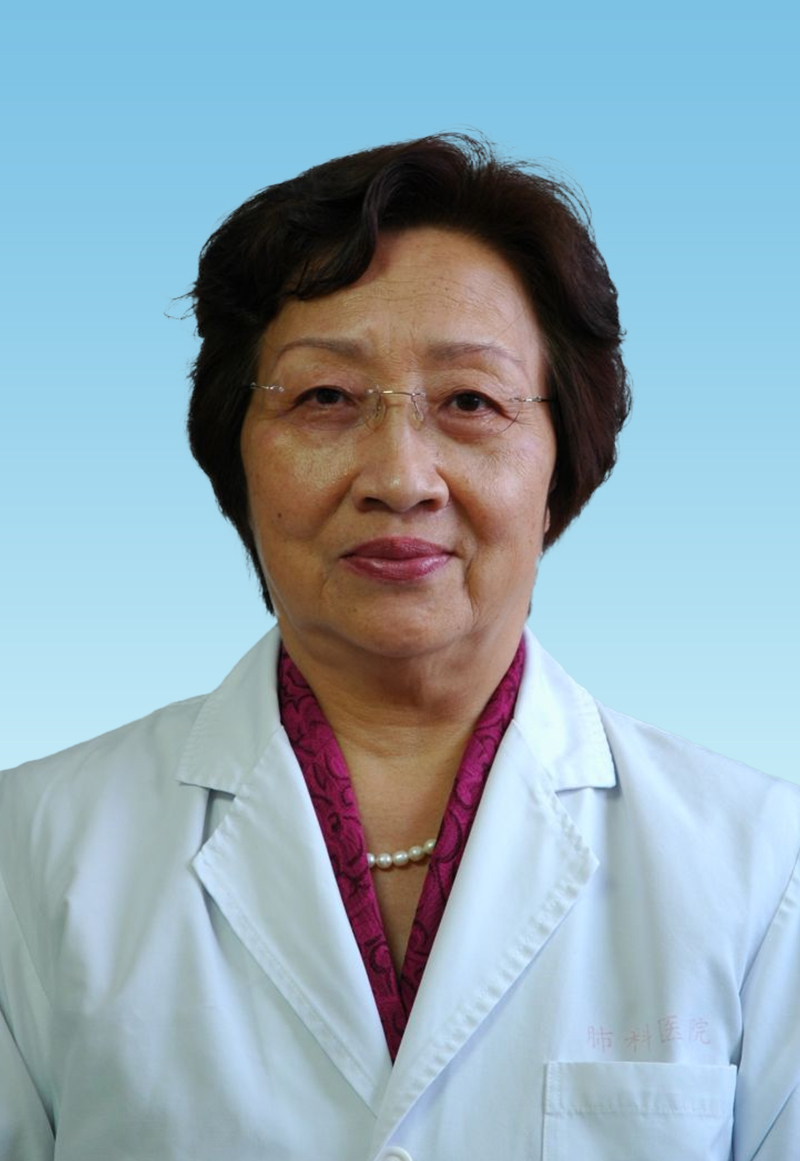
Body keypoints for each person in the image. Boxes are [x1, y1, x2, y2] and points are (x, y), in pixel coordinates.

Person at [1, 134, 798, 1161]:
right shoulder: (32, 850)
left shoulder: (758, 865)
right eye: (325, 398)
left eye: (469, 402)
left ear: (562, 461)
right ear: (234, 450)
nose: (399, 477)